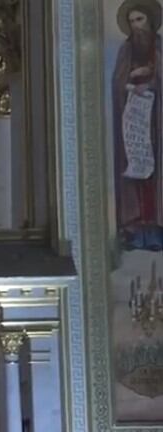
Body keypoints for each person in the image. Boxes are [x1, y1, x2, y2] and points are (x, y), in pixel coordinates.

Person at [112, 0, 163, 250]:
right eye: (132, 21)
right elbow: (117, 82)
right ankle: (134, 231)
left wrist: (151, 84)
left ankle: (155, 232)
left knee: (155, 177)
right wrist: (130, 83)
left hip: (156, 124)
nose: (136, 26)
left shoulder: (159, 48)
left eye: (140, 20)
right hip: (134, 124)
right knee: (134, 176)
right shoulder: (126, 50)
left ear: (150, 21)